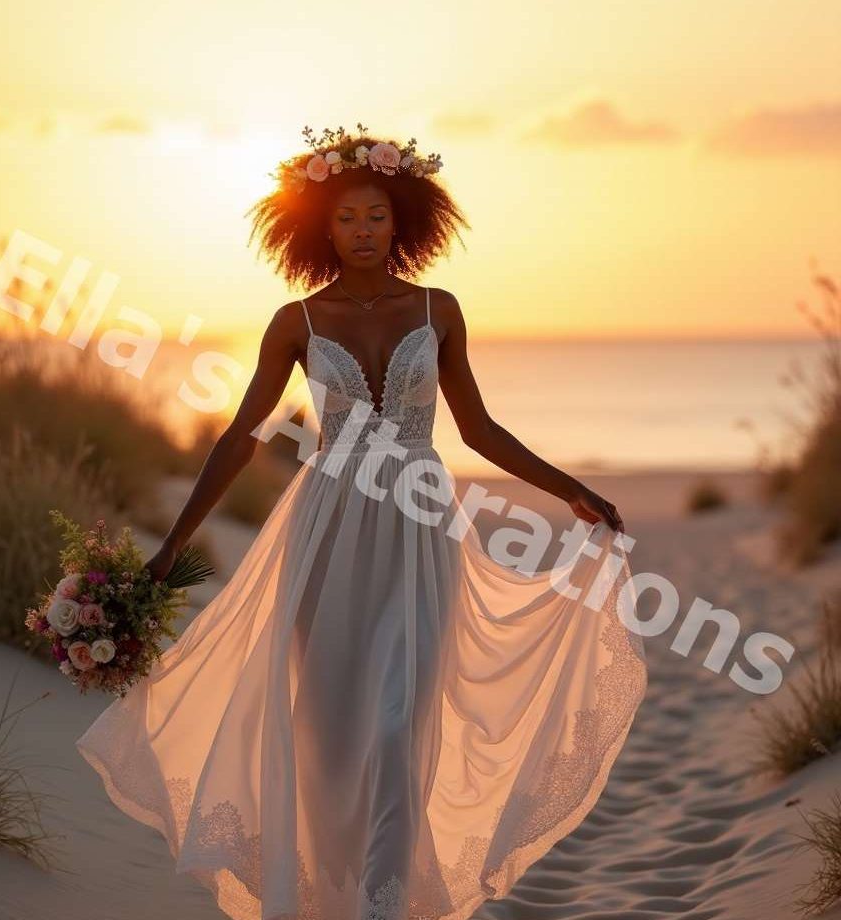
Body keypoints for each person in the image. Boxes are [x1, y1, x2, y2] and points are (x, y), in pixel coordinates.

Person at [75, 125, 647, 920]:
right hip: (326, 534)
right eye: (347, 218)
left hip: (421, 533)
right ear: (322, 227)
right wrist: (171, 545)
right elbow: (242, 437)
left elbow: (477, 431)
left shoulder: (438, 309)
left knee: (395, 725)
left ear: (401, 218)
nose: (364, 231)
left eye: (376, 214)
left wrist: (571, 490)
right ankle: (326, 896)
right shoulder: (296, 323)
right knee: (330, 733)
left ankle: (383, 905)